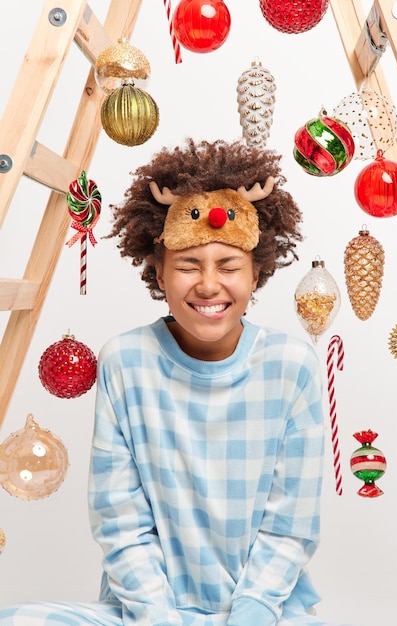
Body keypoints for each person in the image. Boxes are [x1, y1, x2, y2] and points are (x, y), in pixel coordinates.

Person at [0, 139, 351, 625]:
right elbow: (119, 521)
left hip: (265, 613)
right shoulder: (126, 362)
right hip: (149, 613)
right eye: (188, 266)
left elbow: (290, 526)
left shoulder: (292, 366)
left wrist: (249, 613)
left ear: (256, 274)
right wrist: (159, 618)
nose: (208, 285)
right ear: (159, 272)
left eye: (229, 266)